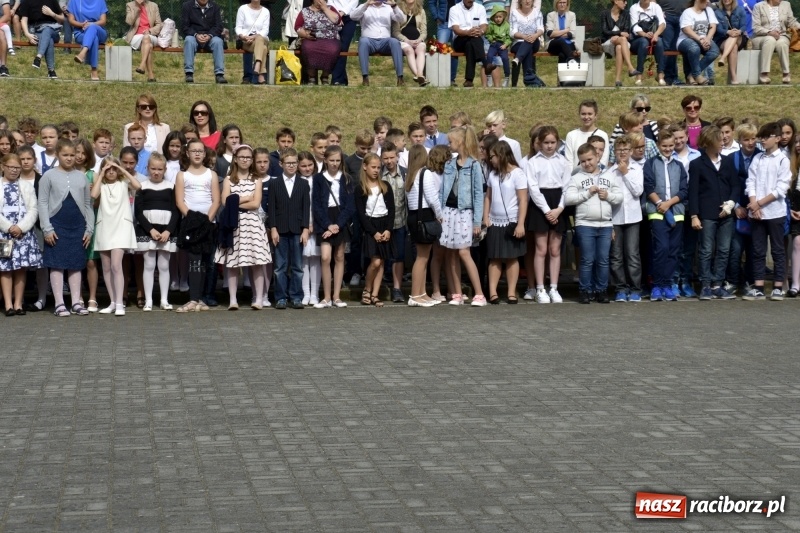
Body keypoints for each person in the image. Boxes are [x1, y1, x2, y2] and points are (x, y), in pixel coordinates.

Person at [38, 139, 94, 317]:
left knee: (76, 264)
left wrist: (89, 229)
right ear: (57, 155)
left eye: (72, 155)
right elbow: (43, 203)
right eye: (65, 155)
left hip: (77, 224)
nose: (70, 158)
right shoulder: (48, 176)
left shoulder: (81, 177)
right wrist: (47, 228)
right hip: (57, 224)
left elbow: (87, 204)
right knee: (57, 264)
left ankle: (76, 302)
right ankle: (59, 303)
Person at [214, 144, 270, 310]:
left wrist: (235, 201)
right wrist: (245, 197)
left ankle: (258, 298)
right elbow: (225, 201)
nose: (245, 160)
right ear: (236, 159)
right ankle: (233, 299)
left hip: (253, 224)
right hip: (233, 224)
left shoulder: (256, 179)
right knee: (232, 262)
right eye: (242, 157)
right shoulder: (229, 179)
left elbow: (256, 203)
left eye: (248, 157)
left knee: (257, 262)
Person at [687, 125, 739, 301]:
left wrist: (731, 203)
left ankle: (718, 284)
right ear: (709, 142)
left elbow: (735, 185)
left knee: (724, 249)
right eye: (719, 140)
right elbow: (692, 192)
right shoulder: (696, 164)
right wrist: (694, 215)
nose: (723, 142)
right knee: (706, 250)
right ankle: (706, 285)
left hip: (726, 214)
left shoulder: (728, 161)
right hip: (707, 213)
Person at [566, 143, 622, 304]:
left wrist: (608, 195)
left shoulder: (609, 176)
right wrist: (587, 193)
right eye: (583, 161)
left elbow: (619, 197)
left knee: (603, 259)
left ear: (597, 157)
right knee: (587, 259)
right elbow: (569, 199)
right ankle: (585, 290)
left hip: (605, 225)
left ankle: (601, 290)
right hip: (585, 224)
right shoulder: (576, 178)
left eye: (590, 159)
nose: (587, 163)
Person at [744, 122, 791, 300]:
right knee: (758, 250)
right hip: (757, 213)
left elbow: (781, 188)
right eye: (761, 137)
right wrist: (753, 203)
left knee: (778, 250)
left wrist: (759, 204)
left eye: (766, 137)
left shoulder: (783, 160)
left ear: (777, 139)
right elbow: (751, 182)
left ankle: (778, 286)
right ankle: (759, 286)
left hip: (775, 212)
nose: (762, 140)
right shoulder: (758, 158)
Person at [440, 126, 486, 306]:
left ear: (460, 142)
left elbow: (478, 194)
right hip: (449, 212)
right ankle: (457, 293)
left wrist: (477, 221)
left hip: (464, 212)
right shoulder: (449, 164)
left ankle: (479, 294)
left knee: (464, 252)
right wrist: (440, 212)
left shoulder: (474, 165)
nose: (449, 145)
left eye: (451, 141)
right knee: (451, 254)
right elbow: (443, 189)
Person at [524, 125, 569, 303]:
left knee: (555, 249)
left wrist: (559, 209)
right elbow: (533, 189)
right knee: (541, 249)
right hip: (540, 204)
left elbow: (567, 187)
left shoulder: (564, 162)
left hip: (558, 203)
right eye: (546, 143)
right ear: (540, 143)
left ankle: (554, 288)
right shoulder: (533, 162)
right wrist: (546, 210)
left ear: (557, 143)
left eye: (553, 142)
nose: (550, 146)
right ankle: (540, 288)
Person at [175, 138, 221, 312]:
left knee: (206, 263)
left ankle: (201, 298)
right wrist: (194, 221)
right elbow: (180, 202)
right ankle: (193, 298)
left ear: (204, 153)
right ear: (187, 153)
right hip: (191, 225)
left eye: (200, 151)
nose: (197, 154)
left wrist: (206, 221)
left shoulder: (212, 174)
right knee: (194, 262)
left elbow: (216, 200)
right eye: (193, 151)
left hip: (208, 224)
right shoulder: (182, 175)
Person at [92, 157, 141, 316]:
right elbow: (93, 194)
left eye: (114, 169)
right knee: (105, 267)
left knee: (116, 265)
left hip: (120, 227)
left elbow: (137, 185)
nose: (111, 172)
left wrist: (122, 169)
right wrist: (101, 175)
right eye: (107, 169)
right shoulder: (102, 185)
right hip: (104, 227)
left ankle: (120, 302)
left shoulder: (123, 184)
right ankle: (112, 302)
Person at [643, 130, 688, 302]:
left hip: (676, 212)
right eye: (664, 146)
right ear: (658, 145)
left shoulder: (679, 165)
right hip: (657, 211)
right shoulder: (651, 163)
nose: (668, 149)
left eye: (671, 146)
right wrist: (659, 203)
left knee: (674, 250)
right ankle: (657, 285)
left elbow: (684, 191)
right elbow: (649, 186)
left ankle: (668, 285)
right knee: (661, 248)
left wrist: (668, 204)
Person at [482, 141, 527, 304]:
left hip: (511, 222)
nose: (490, 159)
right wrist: (485, 217)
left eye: (492, 156)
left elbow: (523, 200)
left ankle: (511, 292)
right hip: (494, 221)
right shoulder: (493, 174)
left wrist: (521, 223)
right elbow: (488, 197)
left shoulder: (518, 174)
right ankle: (493, 292)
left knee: (511, 257)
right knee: (494, 257)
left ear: (501, 155)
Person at [312, 145, 355, 308]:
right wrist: (328, 225)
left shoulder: (347, 178)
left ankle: (336, 296)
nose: (335, 163)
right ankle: (326, 296)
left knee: (339, 256)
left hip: (340, 218)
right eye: (332, 160)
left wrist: (338, 224)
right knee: (325, 257)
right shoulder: (318, 178)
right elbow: (316, 204)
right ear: (325, 160)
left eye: (338, 160)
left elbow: (350, 206)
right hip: (325, 219)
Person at [0, 153, 42, 316]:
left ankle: (18, 303)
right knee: (5, 268)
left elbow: (33, 209)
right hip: (4, 233)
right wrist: (9, 227)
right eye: (11, 167)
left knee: (20, 268)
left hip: (22, 234)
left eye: (17, 168)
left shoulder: (26, 185)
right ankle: (8, 304)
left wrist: (21, 227)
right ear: (3, 166)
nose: (14, 170)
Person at [135, 153, 178, 311]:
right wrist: (150, 229)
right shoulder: (143, 187)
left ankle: (164, 299)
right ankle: (148, 300)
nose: (156, 172)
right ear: (147, 168)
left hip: (166, 231)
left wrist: (168, 231)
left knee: (164, 265)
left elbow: (176, 211)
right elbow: (138, 212)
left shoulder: (171, 187)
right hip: (148, 230)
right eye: (153, 168)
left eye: (160, 169)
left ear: (165, 169)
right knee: (149, 264)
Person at [268, 147, 309, 310]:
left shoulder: (303, 183)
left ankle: (296, 296)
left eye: (294, 163)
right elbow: (271, 208)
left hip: (298, 229)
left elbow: (306, 207)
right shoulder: (274, 183)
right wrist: (273, 228)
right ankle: (281, 297)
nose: (291, 166)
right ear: (281, 164)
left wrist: (305, 228)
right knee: (280, 267)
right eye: (288, 163)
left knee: (297, 266)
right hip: (281, 229)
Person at [405, 145, 442, 307]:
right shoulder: (425, 173)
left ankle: (422, 292)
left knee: (424, 257)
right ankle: (414, 294)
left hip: (414, 216)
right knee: (422, 258)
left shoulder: (410, 174)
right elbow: (432, 197)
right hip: (424, 215)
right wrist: (440, 215)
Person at [607, 135, 644, 302]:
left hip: (633, 218)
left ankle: (635, 288)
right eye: (619, 150)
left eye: (626, 150)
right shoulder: (609, 172)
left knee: (633, 254)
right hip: (615, 218)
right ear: (614, 152)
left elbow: (638, 191)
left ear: (631, 151)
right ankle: (620, 287)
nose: (622, 153)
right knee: (616, 256)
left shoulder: (636, 169)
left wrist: (626, 173)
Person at [355, 153, 394, 307]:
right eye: (373, 167)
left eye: (378, 167)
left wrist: (388, 229)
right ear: (365, 167)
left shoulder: (385, 186)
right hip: (371, 227)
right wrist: (373, 232)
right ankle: (367, 288)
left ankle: (375, 294)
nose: (376, 170)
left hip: (384, 225)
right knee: (375, 262)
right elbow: (361, 214)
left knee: (382, 261)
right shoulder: (360, 189)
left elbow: (391, 210)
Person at [350, 0, 405, 86]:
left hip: (385, 41)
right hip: (369, 40)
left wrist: (394, 6)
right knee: (363, 41)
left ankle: (400, 78)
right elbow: (353, 16)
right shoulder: (365, 7)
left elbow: (402, 19)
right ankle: (365, 78)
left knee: (395, 42)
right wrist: (366, 4)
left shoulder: (388, 8)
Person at [380, 142, 407, 303]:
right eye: (386, 158)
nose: (389, 161)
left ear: (397, 157)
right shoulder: (378, 175)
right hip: (382, 223)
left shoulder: (405, 173)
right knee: (381, 256)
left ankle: (397, 289)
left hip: (400, 222)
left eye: (392, 157)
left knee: (399, 257)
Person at [295, 0, 342, 86]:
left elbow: (337, 20)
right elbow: (297, 26)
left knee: (333, 49)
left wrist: (325, 9)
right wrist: (305, 34)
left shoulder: (331, 9)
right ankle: (311, 77)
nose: (321, 1)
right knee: (308, 48)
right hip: (311, 38)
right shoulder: (305, 11)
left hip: (330, 38)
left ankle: (325, 77)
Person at [751, 0, 800, 84]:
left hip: (782, 35)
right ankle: (764, 73)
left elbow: (792, 22)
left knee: (782, 44)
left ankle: (786, 73)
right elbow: (756, 27)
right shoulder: (758, 6)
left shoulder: (786, 4)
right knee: (770, 39)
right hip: (762, 36)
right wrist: (769, 32)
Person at [180, 0, 228, 84]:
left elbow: (218, 26)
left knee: (218, 42)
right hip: (194, 36)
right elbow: (184, 26)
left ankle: (219, 74)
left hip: (210, 37)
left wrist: (209, 35)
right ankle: (189, 73)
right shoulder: (187, 6)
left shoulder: (215, 6)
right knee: (188, 40)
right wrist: (196, 35)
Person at [677, 0, 720, 86]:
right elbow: (686, 29)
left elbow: (713, 26)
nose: (708, 1)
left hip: (704, 40)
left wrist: (707, 39)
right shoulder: (687, 12)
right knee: (694, 48)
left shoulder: (709, 10)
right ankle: (697, 75)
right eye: (705, 0)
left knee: (714, 51)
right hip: (686, 40)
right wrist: (700, 40)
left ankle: (691, 75)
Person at [449, 0, 491, 88]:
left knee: (470, 44)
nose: (470, 0)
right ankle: (485, 63)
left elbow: (484, 25)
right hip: (459, 39)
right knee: (473, 39)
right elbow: (456, 30)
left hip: (474, 38)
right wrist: (468, 32)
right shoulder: (454, 9)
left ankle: (469, 81)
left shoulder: (480, 8)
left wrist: (481, 31)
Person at [297, 151, 320, 306]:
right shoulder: (297, 181)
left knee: (316, 259)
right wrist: (305, 225)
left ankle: (315, 293)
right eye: (303, 166)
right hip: (302, 225)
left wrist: (314, 224)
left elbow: (321, 204)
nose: (307, 168)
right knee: (304, 260)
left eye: (310, 165)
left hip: (317, 225)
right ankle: (305, 293)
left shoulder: (319, 180)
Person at [19, 0, 63, 80]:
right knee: (49, 40)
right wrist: (27, 34)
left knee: (47, 30)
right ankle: (51, 71)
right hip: (37, 30)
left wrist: (52, 14)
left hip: (53, 30)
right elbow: (24, 19)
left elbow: (62, 18)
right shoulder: (27, 2)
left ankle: (38, 57)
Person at [600, 0, 638, 87]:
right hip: (608, 42)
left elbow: (627, 31)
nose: (626, 3)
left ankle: (617, 80)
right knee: (622, 40)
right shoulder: (604, 14)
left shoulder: (626, 14)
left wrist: (618, 36)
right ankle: (630, 67)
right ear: (616, 1)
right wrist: (619, 34)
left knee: (619, 47)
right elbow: (605, 31)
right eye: (624, 1)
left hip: (623, 43)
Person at [629, 0, 667, 85]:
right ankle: (639, 75)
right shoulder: (634, 8)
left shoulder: (656, 6)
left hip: (654, 37)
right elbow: (635, 27)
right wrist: (645, 34)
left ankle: (660, 74)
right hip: (638, 39)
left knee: (660, 41)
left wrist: (656, 34)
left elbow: (662, 23)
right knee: (643, 42)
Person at [68, 0, 107, 81]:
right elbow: (71, 20)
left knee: (92, 27)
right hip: (81, 32)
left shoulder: (101, 1)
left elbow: (103, 21)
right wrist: (81, 24)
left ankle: (83, 52)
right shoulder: (73, 1)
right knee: (94, 38)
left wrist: (91, 25)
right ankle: (94, 70)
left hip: (99, 30)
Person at [564, 99, 610, 169]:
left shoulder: (603, 135)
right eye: (583, 114)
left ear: (595, 115)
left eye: (590, 114)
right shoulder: (571, 135)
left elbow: (604, 160)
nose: (586, 117)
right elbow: (569, 162)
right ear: (579, 114)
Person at [124, 0, 162, 82]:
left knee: (146, 38)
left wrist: (150, 30)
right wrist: (137, 8)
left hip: (151, 35)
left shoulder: (153, 5)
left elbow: (159, 24)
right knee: (149, 46)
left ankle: (142, 65)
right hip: (136, 37)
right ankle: (151, 75)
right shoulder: (130, 5)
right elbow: (129, 22)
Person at [509, 0, 544, 88]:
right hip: (518, 42)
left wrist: (535, 35)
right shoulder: (514, 13)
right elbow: (512, 32)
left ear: (532, 1)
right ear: (520, 2)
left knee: (528, 44)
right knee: (528, 49)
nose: (527, 1)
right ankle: (529, 82)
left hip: (534, 40)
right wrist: (523, 36)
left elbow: (541, 29)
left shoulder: (537, 12)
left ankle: (517, 59)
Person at [392, 0, 428, 86]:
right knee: (409, 50)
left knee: (422, 48)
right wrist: (407, 41)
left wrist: (419, 40)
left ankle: (419, 74)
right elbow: (395, 32)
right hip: (404, 41)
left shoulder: (421, 10)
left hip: (417, 40)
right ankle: (419, 76)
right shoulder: (398, 10)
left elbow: (424, 31)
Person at [235, 0, 270, 85]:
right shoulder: (242, 9)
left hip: (261, 38)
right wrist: (244, 37)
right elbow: (238, 27)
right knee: (264, 48)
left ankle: (257, 62)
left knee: (260, 38)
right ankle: (261, 74)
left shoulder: (265, 11)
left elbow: (265, 30)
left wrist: (254, 37)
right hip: (246, 40)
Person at [713, 0, 745, 84]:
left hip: (739, 37)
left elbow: (744, 25)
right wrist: (728, 32)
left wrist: (739, 31)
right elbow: (718, 29)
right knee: (733, 47)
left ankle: (723, 57)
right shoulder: (717, 12)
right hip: (722, 39)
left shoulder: (740, 10)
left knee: (734, 35)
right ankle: (734, 78)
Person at [485, 5, 511, 87]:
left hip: (502, 45)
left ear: (503, 17)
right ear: (493, 18)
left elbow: (509, 38)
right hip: (494, 44)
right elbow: (487, 34)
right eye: (496, 17)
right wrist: (491, 39)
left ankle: (507, 77)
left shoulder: (506, 25)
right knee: (489, 56)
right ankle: (488, 76)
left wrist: (506, 44)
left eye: (500, 17)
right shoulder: (491, 25)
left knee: (505, 58)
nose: (498, 19)